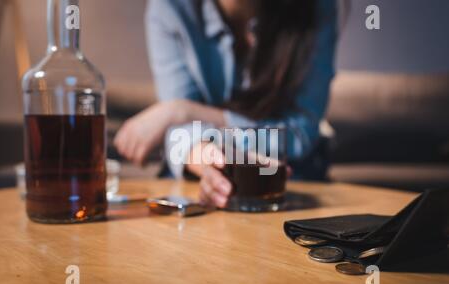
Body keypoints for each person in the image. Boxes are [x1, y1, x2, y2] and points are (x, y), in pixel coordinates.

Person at [114, 0, 338, 208]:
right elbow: (181, 134)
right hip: (204, 180)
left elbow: (300, 132)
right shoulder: (170, 7)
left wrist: (182, 110)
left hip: (292, 186)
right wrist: (205, 158)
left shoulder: (317, 6)